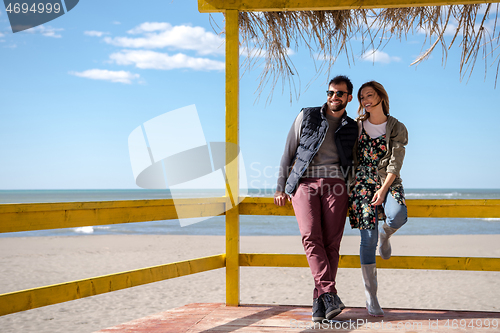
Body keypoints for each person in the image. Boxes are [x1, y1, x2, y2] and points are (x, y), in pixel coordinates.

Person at [274, 75, 358, 322]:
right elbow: (288, 153)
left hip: (337, 187)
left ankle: (319, 305)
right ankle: (329, 292)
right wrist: (281, 188)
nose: (334, 97)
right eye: (330, 92)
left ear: (349, 98)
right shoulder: (307, 115)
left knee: (332, 243)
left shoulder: (353, 127)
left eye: (340, 93)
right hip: (305, 184)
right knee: (311, 237)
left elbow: (353, 160)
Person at [348, 81, 408, 317]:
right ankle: (371, 297)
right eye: (362, 97)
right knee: (367, 238)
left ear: (381, 97)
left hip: (388, 181)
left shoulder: (397, 127)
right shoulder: (357, 126)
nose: (365, 100)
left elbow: (396, 162)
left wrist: (383, 191)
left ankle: (387, 234)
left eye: (370, 95)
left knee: (397, 215)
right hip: (361, 183)